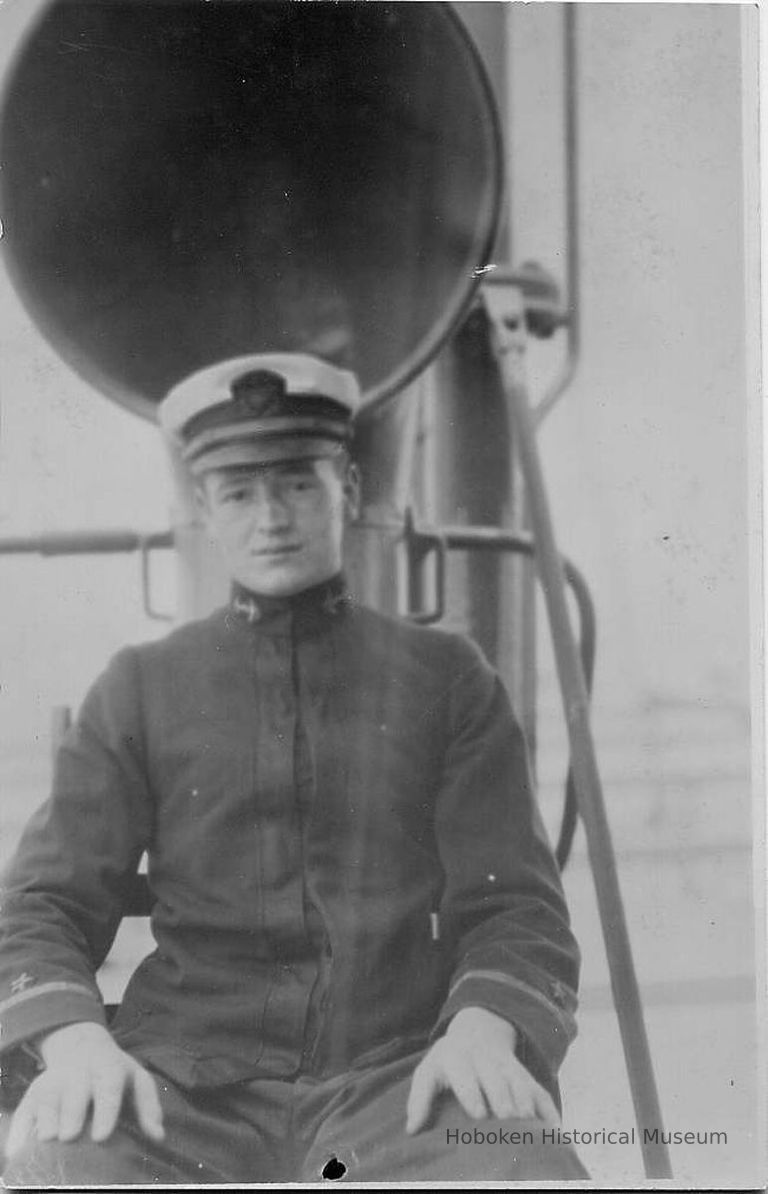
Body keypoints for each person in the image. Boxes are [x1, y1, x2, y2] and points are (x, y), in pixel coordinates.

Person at [0, 354, 588, 1183]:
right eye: (239, 492)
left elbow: (517, 906)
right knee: (62, 1164)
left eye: (298, 485)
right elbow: (42, 904)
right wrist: (76, 1043)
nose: (270, 516)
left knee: (522, 1162)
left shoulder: (447, 677)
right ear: (206, 507)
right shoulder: (139, 686)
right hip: (182, 1089)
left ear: (346, 487)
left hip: (399, 1078)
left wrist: (482, 1028)